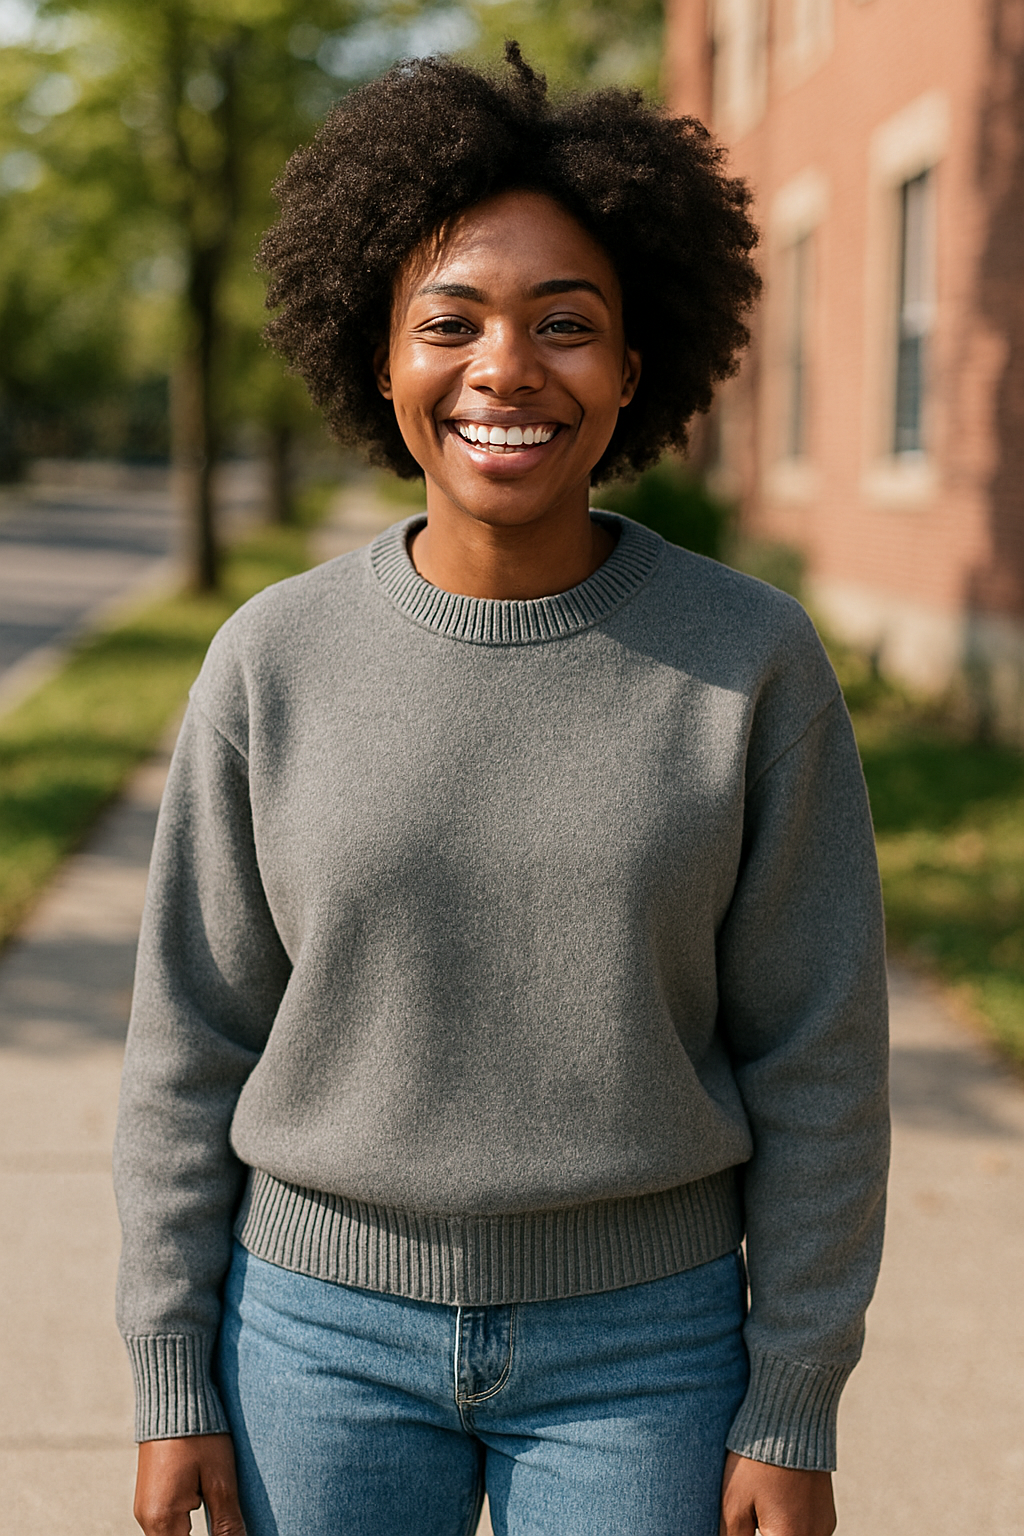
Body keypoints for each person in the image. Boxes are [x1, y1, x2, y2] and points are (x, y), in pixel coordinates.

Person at [114, 44, 889, 1536]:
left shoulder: (751, 663)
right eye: (450, 322)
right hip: (313, 1345)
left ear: (635, 371)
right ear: (381, 354)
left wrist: (793, 1395)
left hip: (649, 1357)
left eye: (567, 325)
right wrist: (172, 1374)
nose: (506, 369)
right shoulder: (271, 662)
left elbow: (821, 1055)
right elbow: (186, 1043)